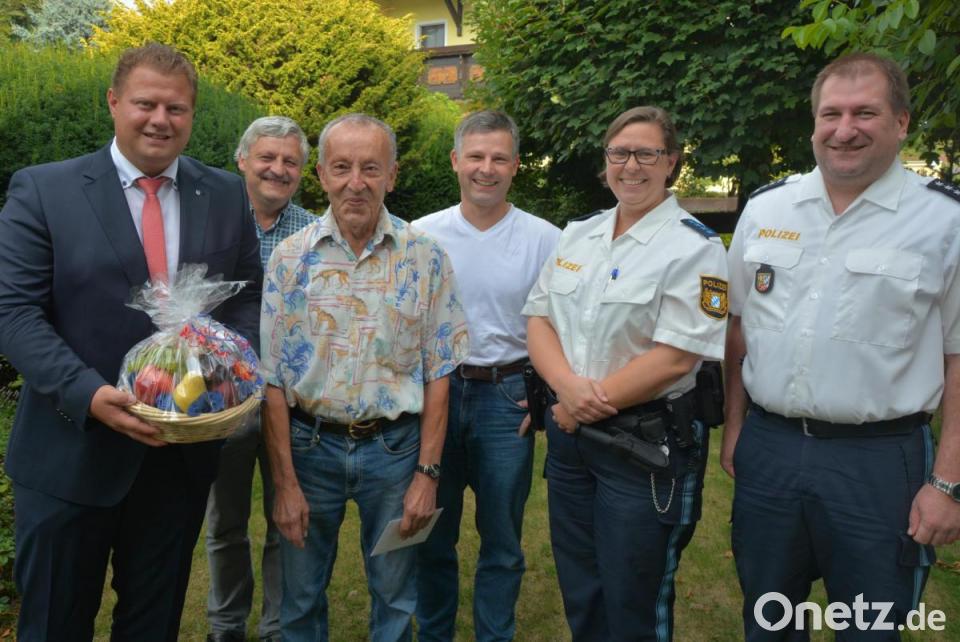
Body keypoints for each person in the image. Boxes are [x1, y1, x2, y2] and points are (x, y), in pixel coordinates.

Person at [0, 43, 262, 641]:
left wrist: (230, 366)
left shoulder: (226, 193)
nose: (160, 120)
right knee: (53, 625)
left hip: (178, 460)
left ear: (191, 114)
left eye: (176, 108)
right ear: (114, 102)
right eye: (146, 104)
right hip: (70, 454)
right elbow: (13, 312)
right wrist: (88, 394)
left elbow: (245, 296)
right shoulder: (45, 190)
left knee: (152, 625)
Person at [723, 52, 960, 640]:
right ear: (814, 123)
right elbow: (737, 327)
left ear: (901, 123)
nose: (844, 129)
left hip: (878, 463)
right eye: (831, 114)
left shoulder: (944, 222)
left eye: (865, 113)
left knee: (870, 627)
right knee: (768, 620)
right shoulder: (767, 208)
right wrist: (735, 428)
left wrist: (948, 483)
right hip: (771, 451)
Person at [523, 106, 728, 641]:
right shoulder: (579, 234)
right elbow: (539, 319)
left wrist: (576, 406)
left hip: (644, 449)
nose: (630, 165)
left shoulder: (696, 247)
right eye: (619, 152)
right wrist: (566, 390)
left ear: (671, 162)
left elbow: (678, 356)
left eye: (646, 154)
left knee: (634, 598)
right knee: (582, 590)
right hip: (572, 446)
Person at [261, 113, 468, 641]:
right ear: (322, 175)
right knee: (299, 598)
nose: (356, 182)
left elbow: (440, 373)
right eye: (342, 167)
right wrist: (284, 484)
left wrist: (427, 475)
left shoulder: (426, 258)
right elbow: (272, 380)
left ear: (391, 176)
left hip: (395, 452)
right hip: (309, 450)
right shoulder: (289, 259)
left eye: (371, 168)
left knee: (396, 598)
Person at [413, 110, 561, 641]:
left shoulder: (546, 239)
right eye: (475, 156)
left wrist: (545, 395)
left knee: (501, 539)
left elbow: (563, 325)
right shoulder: (422, 235)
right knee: (432, 534)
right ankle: (435, 633)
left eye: (499, 158)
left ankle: (493, 635)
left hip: (508, 397)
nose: (486, 168)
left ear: (516, 165)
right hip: (439, 393)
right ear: (456, 160)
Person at [205, 116, 315, 642]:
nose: (278, 169)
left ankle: (277, 626)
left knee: (286, 517)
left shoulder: (316, 234)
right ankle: (226, 623)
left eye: (290, 161)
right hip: (223, 400)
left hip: (292, 404)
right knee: (224, 523)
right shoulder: (211, 225)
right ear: (242, 160)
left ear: (302, 172)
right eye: (267, 157)